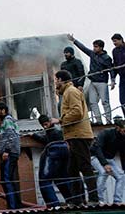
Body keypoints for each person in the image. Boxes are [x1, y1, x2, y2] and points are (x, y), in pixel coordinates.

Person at [51, 70, 99, 204]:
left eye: (56, 80)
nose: (55, 83)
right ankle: (77, 200)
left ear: (61, 80)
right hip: (74, 135)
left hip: (79, 135)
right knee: (72, 169)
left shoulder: (70, 92)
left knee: (85, 166)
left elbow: (77, 112)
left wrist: (60, 120)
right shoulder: (67, 92)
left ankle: (93, 199)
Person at [68, 34, 116, 124]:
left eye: (96, 47)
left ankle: (109, 120)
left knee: (105, 102)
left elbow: (111, 70)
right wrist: (74, 41)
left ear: (101, 48)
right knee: (93, 102)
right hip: (93, 81)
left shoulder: (107, 58)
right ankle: (98, 120)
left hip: (102, 82)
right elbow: (84, 48)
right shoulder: (92, 54)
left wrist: (113, 81)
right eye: (94, 46)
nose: (94, 48)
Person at [31, 114, 72, 207]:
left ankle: (54, 205)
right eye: (43, 125)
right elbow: (45, 139)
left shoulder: (54, 132)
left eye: (46, 124)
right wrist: (34, 135)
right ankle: (71, 201)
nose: (45, 127)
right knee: (61, 178)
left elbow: (46, 141)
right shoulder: (56, 132)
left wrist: (34, 135)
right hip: (65, 151)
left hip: (55, 150)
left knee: (44, 180)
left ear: (49, 122)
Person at [0, 102, 22, 209]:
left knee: (7, 179)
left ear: (3, 111)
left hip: (9, 153)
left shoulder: (7, 120)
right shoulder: (8, 120)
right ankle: (14, 205)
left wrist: (6, 150)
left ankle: (13, 207)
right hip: (12, 153)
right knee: (8, 179)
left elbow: (11, 135)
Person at [90, 119, 125, 204]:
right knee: (103, 172)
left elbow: (123, 153)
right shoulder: (106, 133)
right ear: (117, 128)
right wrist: (105, 164)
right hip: (95, 156)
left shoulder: (123, 138)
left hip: (109, 158)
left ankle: (117, 201)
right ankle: (99, 200)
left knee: (121, 176)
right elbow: (98, 148)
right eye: (124, 130)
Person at [112, 34, 125, 110]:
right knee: (122, 99)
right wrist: (113, 79)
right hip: (122, 77)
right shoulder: (115, 51)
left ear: (121, 40)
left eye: (115, 41)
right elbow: (115, 65)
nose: (114, 43)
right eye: (113, 42)